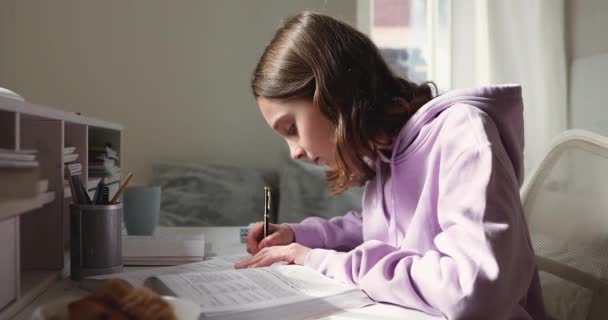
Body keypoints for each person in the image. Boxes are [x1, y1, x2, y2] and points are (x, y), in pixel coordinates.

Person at [235, 11, 546, 320]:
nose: (294, 153)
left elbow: (474, 290)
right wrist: (299, 236)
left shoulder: (461, 134)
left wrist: (320, 260)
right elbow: (379, 229)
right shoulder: (387, 153)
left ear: (331, 94)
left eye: (291, 128)